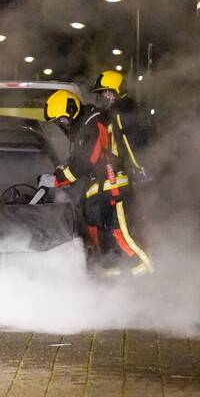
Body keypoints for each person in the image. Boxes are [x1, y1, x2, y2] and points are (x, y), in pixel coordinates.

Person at [42, 89, 153, 277]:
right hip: (101, 193)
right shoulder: (84, 127)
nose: (62, 125)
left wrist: (58, 179)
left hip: (113, 187)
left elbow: (89, 157)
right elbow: (80, 159)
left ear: (71, 110)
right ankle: (116, 286)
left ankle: (153, 279)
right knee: (107, 244)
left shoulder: (93, 120)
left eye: (62, 120)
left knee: (123, 237)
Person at [91, 70, 150, 183]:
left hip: (133, 171)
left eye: (107, 93)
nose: (104, 97)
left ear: (117, 91)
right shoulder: (129, 106)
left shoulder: (119, 112)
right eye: (103, 94)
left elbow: (129, 142)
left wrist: (139, 168)